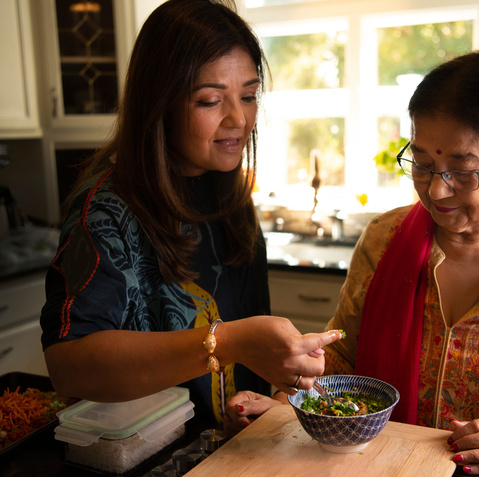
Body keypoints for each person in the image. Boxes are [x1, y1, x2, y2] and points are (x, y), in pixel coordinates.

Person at [231, 50, 479, 477]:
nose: (437, 190)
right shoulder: (383, 240)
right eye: (422, 165)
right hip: (382, 475)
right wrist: (291, 402)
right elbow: (345, 358)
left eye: (463, 170)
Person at [40, 0, 342, 428]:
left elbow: (255, 347)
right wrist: (225, 343)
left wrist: (272, 398)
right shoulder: (107, 211)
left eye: (249, 96)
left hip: (237, 454)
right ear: (159, 102)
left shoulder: (231, 195)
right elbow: (69, 367)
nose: (238, 118)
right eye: (210, 101)